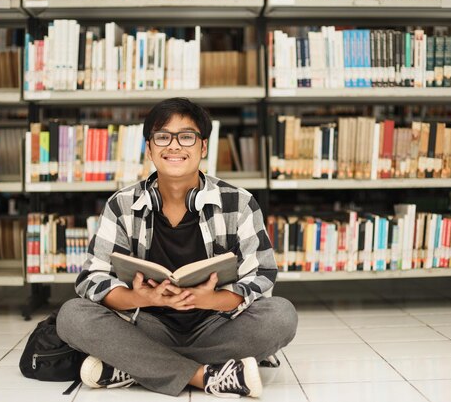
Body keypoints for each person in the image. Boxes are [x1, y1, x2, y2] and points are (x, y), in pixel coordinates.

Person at [56, 98, 298, 398]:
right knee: (72, 315)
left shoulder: (239, 202)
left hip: (216, 324)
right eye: (162, 137)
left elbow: (261, 275)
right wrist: (137, 296)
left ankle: (133, 365)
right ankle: (205, 376)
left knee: (282, 316)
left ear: (203, 147)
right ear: (149, 148)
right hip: (146, 324)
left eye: (186, 136)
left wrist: (211, 299)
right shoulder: (121, 205)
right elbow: (92, 278)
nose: (174, 146)